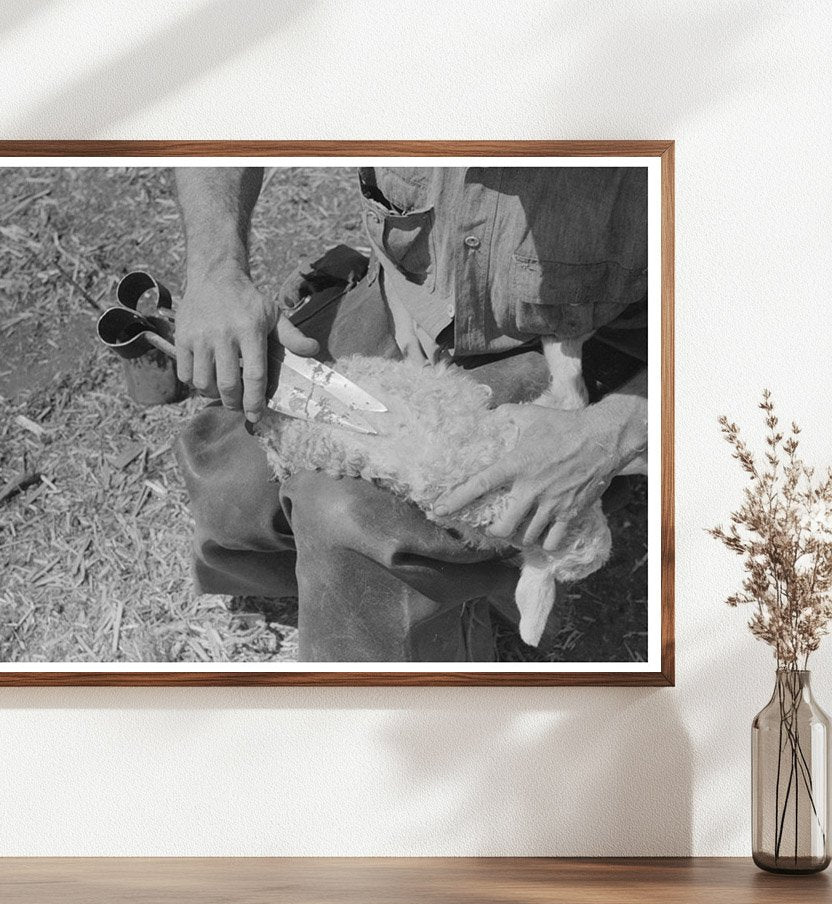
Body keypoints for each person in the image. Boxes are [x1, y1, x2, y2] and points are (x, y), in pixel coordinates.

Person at [173, 166, 649, 663]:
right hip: (414, 288)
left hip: (585, 338)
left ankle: (415, 676)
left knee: (348, 517)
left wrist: (608, 432)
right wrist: (216, 271)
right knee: (229, 472)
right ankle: (381, 585)